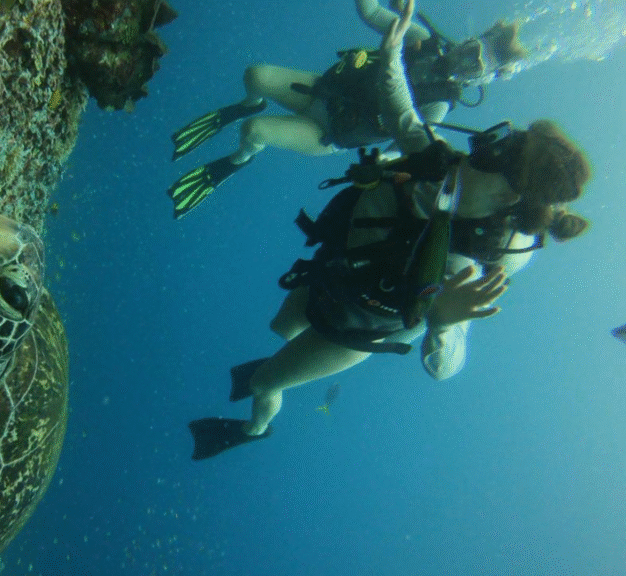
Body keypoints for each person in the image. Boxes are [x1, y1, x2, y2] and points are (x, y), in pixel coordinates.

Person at [188, 0, 591, 461]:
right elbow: (401, 112)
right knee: (279, 327)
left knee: (262, 382)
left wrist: (443, 323)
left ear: (505, 198)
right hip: (335, 271)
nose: (474, 151)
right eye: (490, 144)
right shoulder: (440, 164)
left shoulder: (465, 257)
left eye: (490, 157)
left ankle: (255, 429)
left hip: (354, 326)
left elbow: (444, 367)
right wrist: (395, 50)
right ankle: (286, 366)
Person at [166, 0, 529, 219]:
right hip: (320, 89)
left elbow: (404, 147)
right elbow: (370, 10)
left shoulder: (438, 104)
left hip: (328, 133)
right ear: (470, 38)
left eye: (477, 65)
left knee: (255, 132)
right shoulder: (418, 38)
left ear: (481, 79)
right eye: (474, 48)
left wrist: (376, 173)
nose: (467, 59)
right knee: (255, 74)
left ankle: (236, 161)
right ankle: (249, 103)